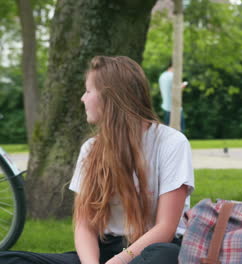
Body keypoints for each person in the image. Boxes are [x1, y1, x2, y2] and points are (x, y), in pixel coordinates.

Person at [0, 56, 194, 264]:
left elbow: (165, 228)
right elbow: (84, 225)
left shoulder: (171, 143)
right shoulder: (91, 149)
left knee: (162, 256)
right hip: (104, 251)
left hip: (149, 251)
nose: (83, 98)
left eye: (88, 91)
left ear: (110, 96)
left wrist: (119, 261)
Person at [158, 64, 186, 131]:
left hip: (165, 106)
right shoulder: (173, 76)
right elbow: (176, 91)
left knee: (167, 131)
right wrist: (182, 86)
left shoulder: (162, 76)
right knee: (180, 130)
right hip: (175, 107)